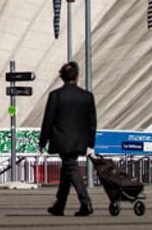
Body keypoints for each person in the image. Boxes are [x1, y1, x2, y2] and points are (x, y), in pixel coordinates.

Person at [39, 61, 97, 217]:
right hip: (80, 140)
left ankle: (86, 202)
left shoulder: (56, 95)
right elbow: (92, 122)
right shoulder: (87, 96)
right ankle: (59, 205)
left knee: (70, 167)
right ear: (77, 76)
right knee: (67, 171)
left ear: (62, 77)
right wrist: (91, 143)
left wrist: (42, 142)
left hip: (62, 140)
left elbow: (48, 120)